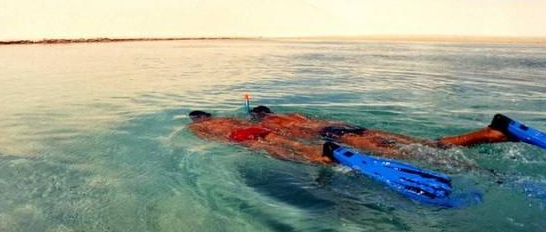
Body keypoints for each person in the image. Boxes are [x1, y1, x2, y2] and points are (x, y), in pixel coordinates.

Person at [187, 107, 511, 165]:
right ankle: (484, 135)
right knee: (415, 144)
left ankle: (323, 157)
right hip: (341, 127)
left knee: (300, 153)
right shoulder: (287, 116)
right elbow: (300, 124)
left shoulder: (204, 125)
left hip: (250, 136)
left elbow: (275, 135)